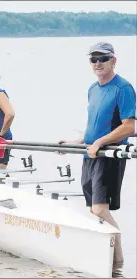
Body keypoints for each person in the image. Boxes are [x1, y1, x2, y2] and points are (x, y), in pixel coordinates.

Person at [59, 42, 136, 266]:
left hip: (108, 156)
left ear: (114, 60)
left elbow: (129, 126)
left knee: (100, 210)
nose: (98, 63)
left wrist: (100, 142)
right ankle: (103, 260)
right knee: (93, 212)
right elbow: (94, 125)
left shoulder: (123, 88)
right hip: (90, 155)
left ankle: (118, 261)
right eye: (93, 59)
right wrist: (75, 142)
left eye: (103, 58)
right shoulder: (93, 89)